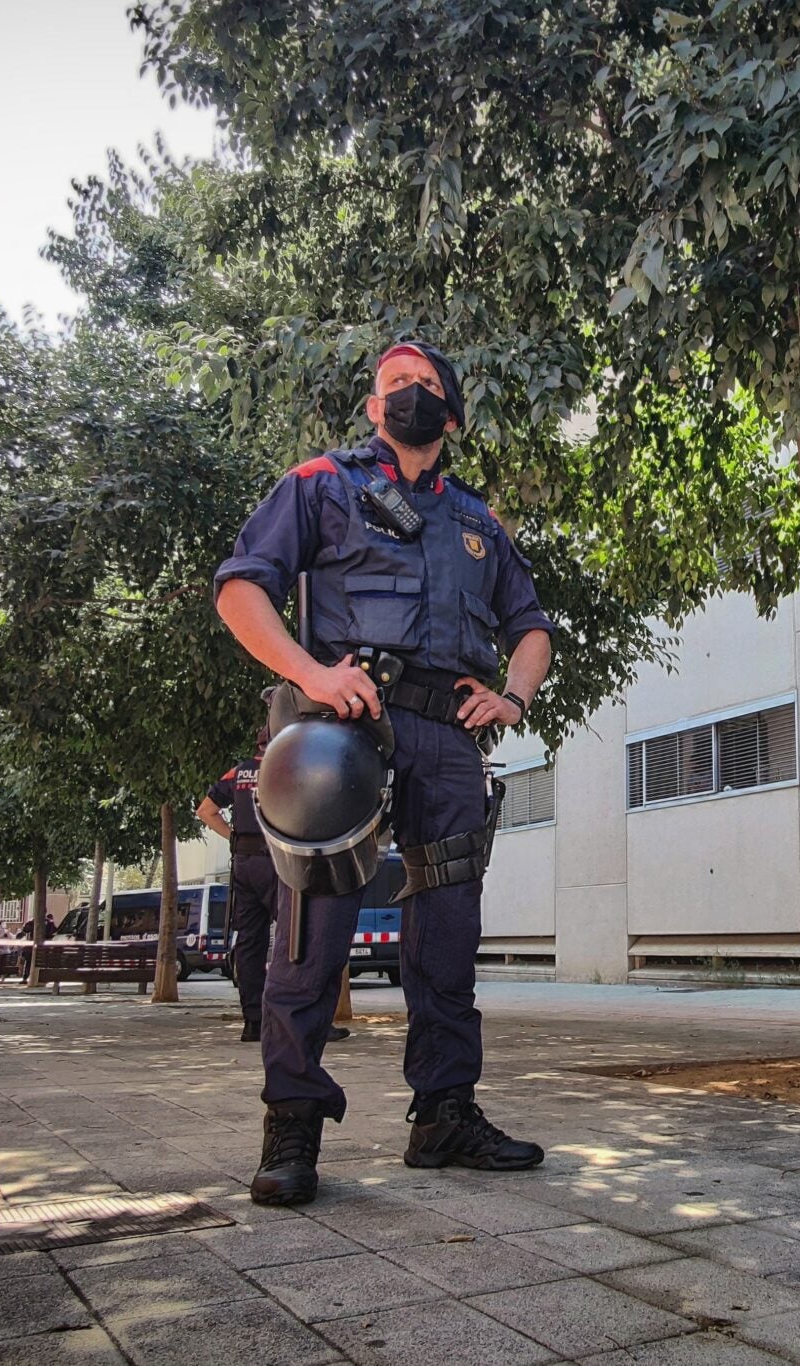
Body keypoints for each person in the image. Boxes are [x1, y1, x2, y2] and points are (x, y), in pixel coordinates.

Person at [215, 340, 556, 1205]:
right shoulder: (321, 483)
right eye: (394, 385)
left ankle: (444, 1113)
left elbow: (533, 627)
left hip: (447, 740)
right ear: (374, 408)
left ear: (451, 412)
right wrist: (308, 673)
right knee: (313, 932)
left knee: (446, 932)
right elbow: (240, 589)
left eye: (427, 386)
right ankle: (291, 1126)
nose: (409, 395)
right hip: (346, 733)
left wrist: (513, 696)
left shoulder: (479, 522)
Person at [200, 741, 279, 1044]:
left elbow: (206, 811)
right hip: (275, 859)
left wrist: (234, 837)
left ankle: (253, 1022)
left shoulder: (238, 772)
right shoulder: (284, 765)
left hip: (243, 863)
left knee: (248, 943)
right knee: (293, 937)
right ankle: (304, 1021)